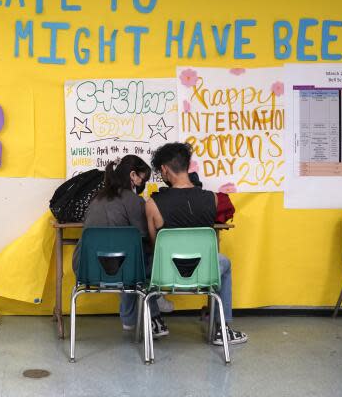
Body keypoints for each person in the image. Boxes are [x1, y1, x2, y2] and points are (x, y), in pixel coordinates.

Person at [146, 142, 248, 345]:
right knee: (224, 263)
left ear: (165, 169)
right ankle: (222, 329)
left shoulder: (152, 205)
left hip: (166, 274)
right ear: (186, 166)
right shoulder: (214, 199)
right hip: (204, 273)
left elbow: (155, 246)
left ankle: (155, 320)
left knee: (146, 261)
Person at [72, 155, 170, 338]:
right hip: (120, 270)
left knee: (124, 253)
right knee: (142, 254)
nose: (143, 184)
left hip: (85, 269)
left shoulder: (96, 199)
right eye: (143, 178)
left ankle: (130, 318)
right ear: (133, 176)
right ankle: (155, 300)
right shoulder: (135, 202)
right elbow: (146, 237)